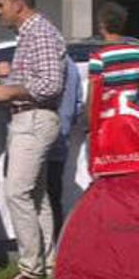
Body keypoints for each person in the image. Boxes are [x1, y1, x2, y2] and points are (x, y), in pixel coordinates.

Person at [0, 0, 65, 279]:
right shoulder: (31, 34)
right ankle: (46, 263)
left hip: (33, 121)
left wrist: (10, 91)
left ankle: (30, 268)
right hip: (28, 120)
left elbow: (50, 85)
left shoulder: (40, 32)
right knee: (36, 196)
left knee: (16, 192)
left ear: (18, 4)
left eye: (1, 5)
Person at [47, 54, 82, 239]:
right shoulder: (71, 64)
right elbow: (77, 103)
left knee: (41, 196)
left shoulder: (49, 62)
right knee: (54, 193)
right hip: (62, 135)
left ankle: (48, 244)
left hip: (45, 135)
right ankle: (57, 239)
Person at [88, 2, 139, 109]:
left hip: (109, 116)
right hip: (131, 115)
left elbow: (93, 96)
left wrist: (91, 122)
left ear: (102, 25)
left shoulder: (98, 58)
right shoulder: (138, 54)